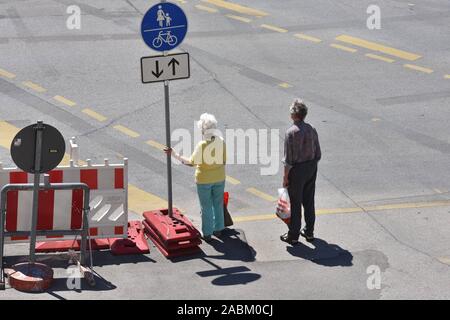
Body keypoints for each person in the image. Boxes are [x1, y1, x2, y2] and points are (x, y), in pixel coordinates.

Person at [164, 113, 227, 242]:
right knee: (218, 204)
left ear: (203, 130)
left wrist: (174, 155)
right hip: (220, 178)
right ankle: (218, 229)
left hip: (204, 180)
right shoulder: (221, 142)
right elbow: (224, 161)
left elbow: (191, 162)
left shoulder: (202, 145)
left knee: (206, 206)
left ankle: (208, 233)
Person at [281, 99, 321, 245]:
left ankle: (293, 234)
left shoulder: (290, 133)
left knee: (295, 203)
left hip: (297, 170)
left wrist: (285, 177)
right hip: (311, 167)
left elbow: (288, 160)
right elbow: (318, 153)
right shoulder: (311, 129)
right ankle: (309, 232)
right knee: (309, 201)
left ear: (293, 114)